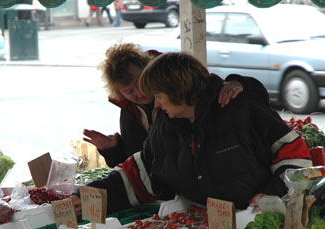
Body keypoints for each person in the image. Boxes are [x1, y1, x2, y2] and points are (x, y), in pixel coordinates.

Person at [76, 52, 312, 214]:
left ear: (178, 90)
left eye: (159, 95)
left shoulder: (241, 110)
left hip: (263, 222)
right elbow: (137, 176)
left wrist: (272, 193)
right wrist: (88, 197)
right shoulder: (164, 130)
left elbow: (295, 157)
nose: (156, 104)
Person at [82, 43, 248, 168]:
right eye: (129, 92)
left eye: (140, 84)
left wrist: (240, 82)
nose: (139, 94)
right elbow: (137, 162)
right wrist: (113, 150)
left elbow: (209, 85)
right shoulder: (129, 113)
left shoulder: (180, 89)